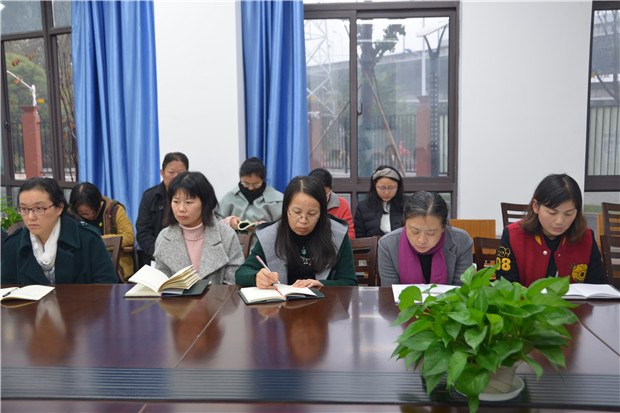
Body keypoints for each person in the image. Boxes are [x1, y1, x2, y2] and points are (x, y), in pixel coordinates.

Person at [235, 176, 357, 288]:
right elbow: (241, 273)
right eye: (297, 212)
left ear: (321, 213)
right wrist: (256, 277)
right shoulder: (271, 234)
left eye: (312, 214)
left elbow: (350, 282)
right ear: (286, 209)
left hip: (324, 303)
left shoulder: (337, 234)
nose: (303, 221)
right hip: (281, 303)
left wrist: (322, 284)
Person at [495, 173, 606, 286]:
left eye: (568, 214)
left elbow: (598, 285)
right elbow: (505, 285)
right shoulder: (512, 235)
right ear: (536, 206)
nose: (559, 221)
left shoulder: (586, 237)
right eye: (552, 213)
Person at [1, 177, 117, 285]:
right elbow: (6, 290)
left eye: (39, 208)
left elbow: (106, 285)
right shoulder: (12, 245)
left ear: (59, 208)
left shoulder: (88, 239)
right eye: (24, 209)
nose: (30, 217)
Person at [153, 171, 243, 284]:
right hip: (175, 296)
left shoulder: (227, 236)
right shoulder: (164, 237)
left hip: (218, 295)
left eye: (188, 202)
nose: (181, 209)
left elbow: (232, 283)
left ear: (205, 203)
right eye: (176, 201)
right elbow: (162, 282)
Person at [378, 191, 473, 287]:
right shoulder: (388, 245)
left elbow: (461, 290)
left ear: (443, 227)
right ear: (405, 223)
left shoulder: (461, 241)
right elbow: (390, 291)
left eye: (431, 233)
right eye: (415, 231)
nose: (422, 240)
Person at [69, 182, 135, 280]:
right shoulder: (72, 215)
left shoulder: (115, 210)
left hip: (115, 263)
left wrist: (97, 240)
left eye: (89, 212)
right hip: (83, 263)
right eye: (82, 214)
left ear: (98, 204)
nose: (86, 216)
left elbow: (129, 237)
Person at [136, 152, 189, 264]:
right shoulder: (150, 196)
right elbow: (143, 232)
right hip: (155, 257)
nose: (176, 177)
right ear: (162, 173)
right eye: (171, 172)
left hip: (188, 256)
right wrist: (161, 254)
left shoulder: (195, 196)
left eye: (181, 173)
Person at [216, 157, 283, 231]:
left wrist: (267, 227)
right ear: (240, 179)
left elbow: (285, 225)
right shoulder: (229, 197)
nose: (250, 188)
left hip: (265, 237)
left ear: (263, 180)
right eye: (246, 183)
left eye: (256, 184)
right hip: (234, 238)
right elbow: (216, 222)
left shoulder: (277, 200)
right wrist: (229, 222)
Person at [354, 165, 404, 238]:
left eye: (391, 188)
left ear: (398, 186)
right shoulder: (363, 207)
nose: (386, 192)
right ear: (375, 186)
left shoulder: (407, 204)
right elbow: (359, 236)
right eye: (382, 188)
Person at [308, 168, 355, 239]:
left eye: (324, 194)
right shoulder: (303, 203)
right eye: (317, 194)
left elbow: (350, 235)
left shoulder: (341, 204)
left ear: (330, 190)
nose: (321, 198)